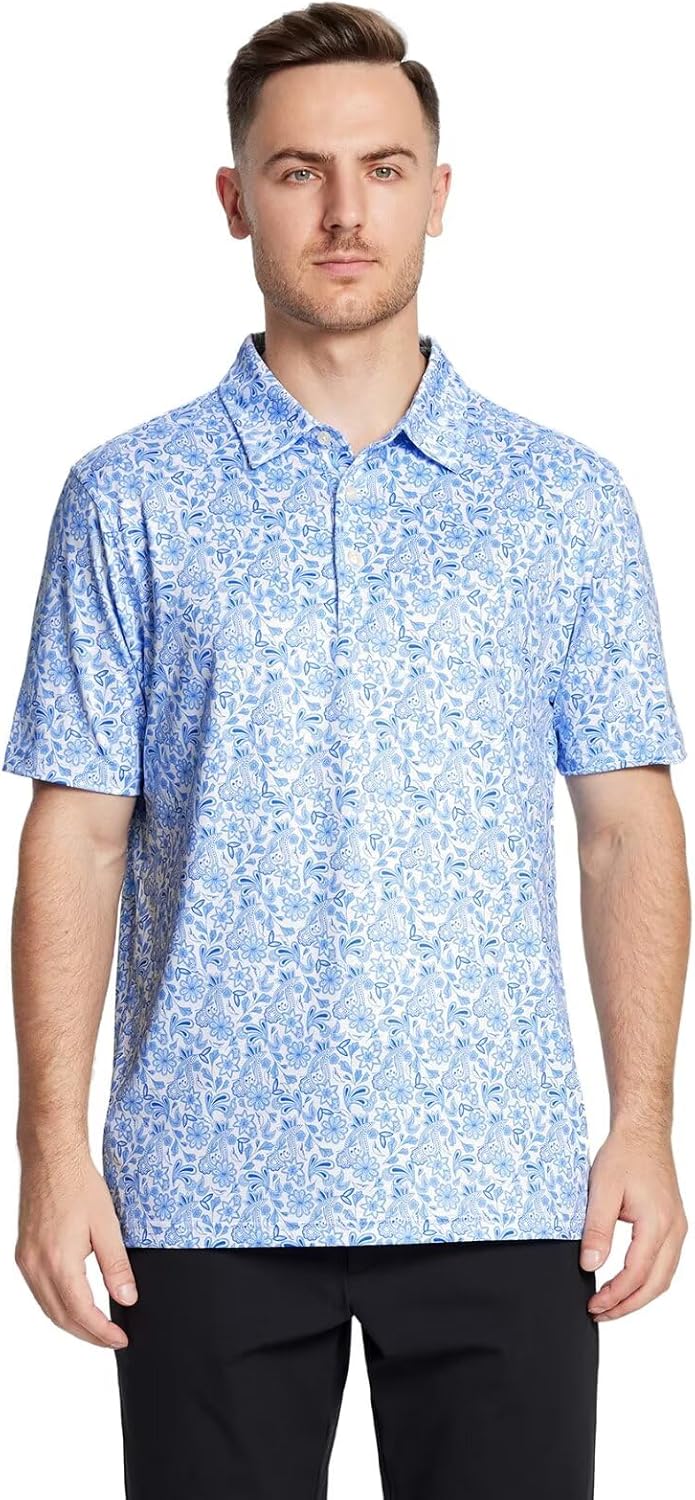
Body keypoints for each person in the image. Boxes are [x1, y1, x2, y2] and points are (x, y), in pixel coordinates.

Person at [4, 4, 689, 1497]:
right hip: (201, 1190)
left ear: (439, 194)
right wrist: (49, 1149)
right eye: (298, 170)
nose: (343, 211)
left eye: (382, 169)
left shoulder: (564, 500)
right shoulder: (130, 498)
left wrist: (645, 1123)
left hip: (499, 1182)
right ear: (234, 198)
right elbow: (79, 834)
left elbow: (626, 827)